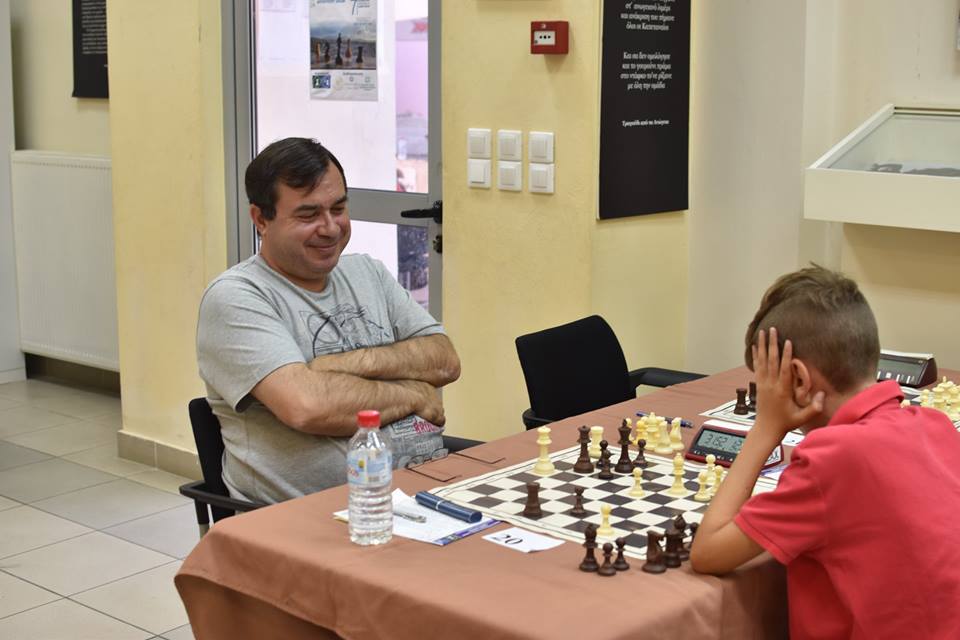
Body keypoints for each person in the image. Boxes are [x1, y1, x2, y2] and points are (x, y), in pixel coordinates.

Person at [690, 265, 960, 639]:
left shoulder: (829, 459)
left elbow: (707, 552)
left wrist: (766, 427)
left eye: (767, 385)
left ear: (799, 379)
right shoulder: (935, 425)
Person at [196, 137, 460, 504]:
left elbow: (444, 359)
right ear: (261, 219)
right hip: (316, 516)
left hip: (427, 491)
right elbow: (308, 407)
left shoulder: (367, 272)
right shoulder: (236, 297)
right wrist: (412, 392)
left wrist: (340, 366)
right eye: (308, 215)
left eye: (338, 208)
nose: (331, 228)